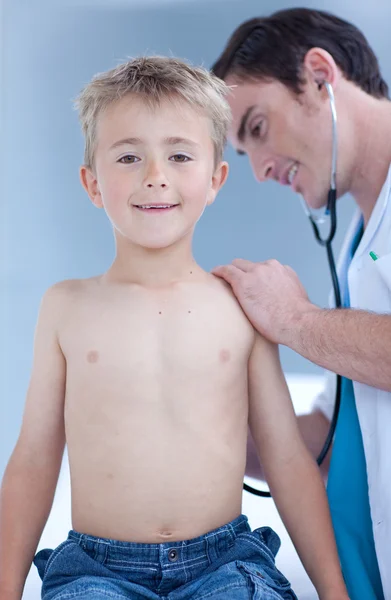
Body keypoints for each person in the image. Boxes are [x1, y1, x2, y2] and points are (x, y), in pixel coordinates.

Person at [0, 56, 349, 600]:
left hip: (225, 563)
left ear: (215, 179)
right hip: (97, 570)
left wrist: (335, 593)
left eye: (179, 155)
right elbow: (34, 458)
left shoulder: (241, 309)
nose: (154, 175)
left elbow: (286, 460)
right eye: (129, 156)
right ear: (93, 183)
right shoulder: (66, 308)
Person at [212, 7, 391, 600]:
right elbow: (335, 435)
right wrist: (207, 431)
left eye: (257, 128)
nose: (260, 171)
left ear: (319, 76)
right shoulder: (354, 244)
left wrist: (295, 320)